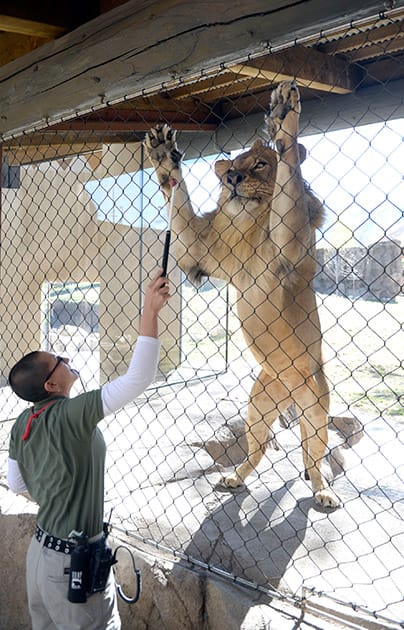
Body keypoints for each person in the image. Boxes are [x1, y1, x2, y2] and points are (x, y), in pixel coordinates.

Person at [7, 269, 171, 630]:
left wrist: (55, 490)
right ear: (51, 383)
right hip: (72, 565)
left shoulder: (23, 421)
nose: (65, 358)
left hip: (40, 558)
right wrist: (150, 311)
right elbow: (137, 379)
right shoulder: (71, 414)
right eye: (58, 360)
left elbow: (17, 485)